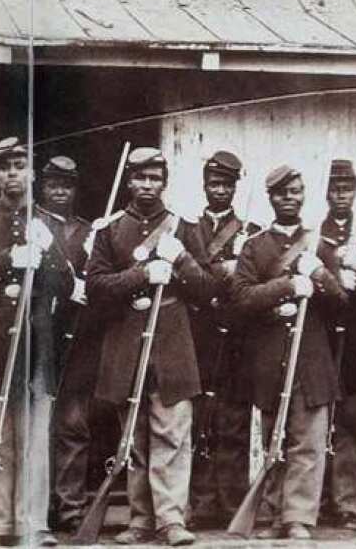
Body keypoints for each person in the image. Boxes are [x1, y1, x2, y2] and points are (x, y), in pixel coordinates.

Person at [85, 147, 212, 546]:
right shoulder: (109, 231)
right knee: (134, 439)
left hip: (171, 345)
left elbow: (208, 289)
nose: (148, 185)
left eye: (155, 177)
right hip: (126, 343)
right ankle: (140, 520)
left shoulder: (184, 228)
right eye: (141, 177)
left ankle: (171, 521)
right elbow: (95, 289)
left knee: (172, 436)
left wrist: (183, 261)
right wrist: (143, 275)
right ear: (129, 181)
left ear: (164, 181)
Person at [0, 137, 73, 547]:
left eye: (19, 165)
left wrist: (48, 252)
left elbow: (69, 285)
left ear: (32, 171)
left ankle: (34, 523)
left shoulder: (48, 223)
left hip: (37, 345)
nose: (12, 174)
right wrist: (7, 260)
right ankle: (0, 523)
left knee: (36, 440)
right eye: (4, 166)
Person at [231, 164, 347, 540]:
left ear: (303, 195)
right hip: (270, 359)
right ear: (271, 198)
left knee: (308, 443)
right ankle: (273, 511)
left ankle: (298, 518)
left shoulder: (320, 246)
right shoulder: (254, 246)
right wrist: (286, 286)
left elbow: (344, 304)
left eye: (296, 191)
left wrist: (320, 277)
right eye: (282, 193)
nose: (289, 198)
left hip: (311, 360)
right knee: (274, 438)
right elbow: (242, 298)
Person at [187, 151, 258, 528]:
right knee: (200, 423)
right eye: (214, 184)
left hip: (235, 340)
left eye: (227, 185)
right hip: (198, 336)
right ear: (205, 186)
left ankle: (232, 503)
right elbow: (188, 277)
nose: (220, 191)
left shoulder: (250, 231)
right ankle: (200, 504)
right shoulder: (187, 230)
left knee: (233, 422)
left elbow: (253, 281)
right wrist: (223, 270)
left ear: (234, 188)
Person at [40, 156, 101, 535]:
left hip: (76, 339)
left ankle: (70, 508)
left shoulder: (89, 230)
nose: (60, 190)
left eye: (67, 184)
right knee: (34, 427)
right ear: (42, 187)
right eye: (53, 184)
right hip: (38, 336)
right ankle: (35, 509)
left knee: (73, 424)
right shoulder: (31, 225)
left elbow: (104, 277)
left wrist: (86, 284)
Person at [318, 159, 356, 531]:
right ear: (327, 192)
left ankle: (348, 503)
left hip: (355, 344)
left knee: (353, 421)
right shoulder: (312, 236)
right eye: (336, 188)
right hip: (320, 340)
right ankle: (320, 500)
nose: (342, 195)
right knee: (318, 421)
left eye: (348, 188)